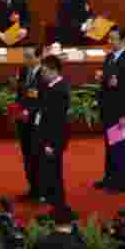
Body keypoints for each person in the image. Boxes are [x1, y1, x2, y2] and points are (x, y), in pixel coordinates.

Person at [96, 25, 125, 193]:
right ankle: (109, 178)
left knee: (121, 149)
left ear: (122, 40)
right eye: (109, 38)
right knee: (110, 147)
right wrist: (105, 78)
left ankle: (121, 183)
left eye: (113, 38)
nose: (109, 41)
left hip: (121, 113)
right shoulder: (109, 57)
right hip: (108, 110)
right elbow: (110, 82)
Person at [35, 55, 71, 207]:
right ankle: (50, 197)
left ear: (54, 71)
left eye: (44, 72)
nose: (42, 75)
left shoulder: (60, 90)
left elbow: (58, 122)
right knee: (48, 169)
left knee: (55, 171)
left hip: (54, 139)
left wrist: (51, 143)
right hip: (46, 136)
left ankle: (59, 202)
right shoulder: (49, 86)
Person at [15, 44, 49, 201]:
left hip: (37, 123)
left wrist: (30, 111)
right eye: (25, 57)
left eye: (29, 57)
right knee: (27, 155)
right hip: (23, 121)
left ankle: (42, 191)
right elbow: (21, 93)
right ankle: (32, 188)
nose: (26, 60)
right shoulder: (23, 71)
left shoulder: (44, 74)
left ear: (39, 57)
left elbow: (42, 100)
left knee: (38, 157)